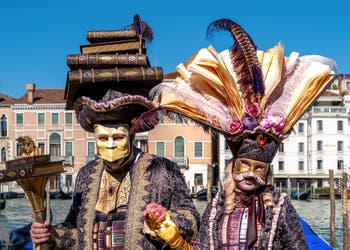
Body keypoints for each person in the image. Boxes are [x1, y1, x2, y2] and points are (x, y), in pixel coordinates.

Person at [149, 18, 337, 249]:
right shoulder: (217, 205)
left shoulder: (279, 206)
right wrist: (174, 238)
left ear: (267, 172)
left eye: (258, 168)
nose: (250, 174)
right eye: (244, 165)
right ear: (233, 166)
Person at [30, 90, 200, 249]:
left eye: (118, 138)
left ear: (131, 135)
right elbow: (75, 229)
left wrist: (165, 221)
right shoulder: (86, 174)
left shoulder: (162, 169)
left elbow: (193, 221)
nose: (110, 145)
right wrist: (49, 235)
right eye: (103, 138)